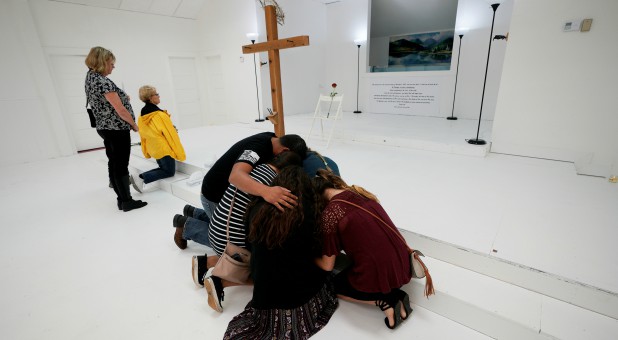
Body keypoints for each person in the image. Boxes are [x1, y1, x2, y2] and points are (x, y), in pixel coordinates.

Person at [221, 166, 338, 339]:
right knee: (328, 275)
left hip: (263, 299)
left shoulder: (257, 209)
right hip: (297, 300)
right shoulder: (308, 215)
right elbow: (320, 260)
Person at [313, 169, 413, 330]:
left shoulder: (330, 213)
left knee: (331, 286)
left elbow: (327, 265)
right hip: (402, 261)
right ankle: (396, 295)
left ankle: (384, 301)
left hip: (379, 269)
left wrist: (308, 258)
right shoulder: (359, 193)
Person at [181, 132, 307, 231]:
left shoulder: (273, 139)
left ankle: (194, 212)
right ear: (285, 151)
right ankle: (186, 226)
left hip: (223, 194)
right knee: (229, 244)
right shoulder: (257, 149)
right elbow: (236, 176)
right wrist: (266, 191)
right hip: (213, 195)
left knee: (224, 223)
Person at [84, 46, 147, 212]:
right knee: (121, 165)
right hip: (116, 129)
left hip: (104, 127)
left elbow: (105, 101)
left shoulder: (91, 77)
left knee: (113, 161)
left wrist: (121, 96)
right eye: (111, 63)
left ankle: (121, 199)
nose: (113, 67)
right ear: (103, 62)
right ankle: (126, 200)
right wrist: (133, 124)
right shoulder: (103, 82)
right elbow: (120, 110)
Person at [129, 85, 186, 193]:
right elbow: (170, 135)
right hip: (164, 148)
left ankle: (136, 179)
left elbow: (143, 134)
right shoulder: (159, 115)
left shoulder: (142, 116)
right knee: (169, 172)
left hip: (154, 148)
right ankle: (141, 178)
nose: (159, 96)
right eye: (157, 94)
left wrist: (145, 150)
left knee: (164, 169)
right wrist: (179, 152)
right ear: (151, 97)